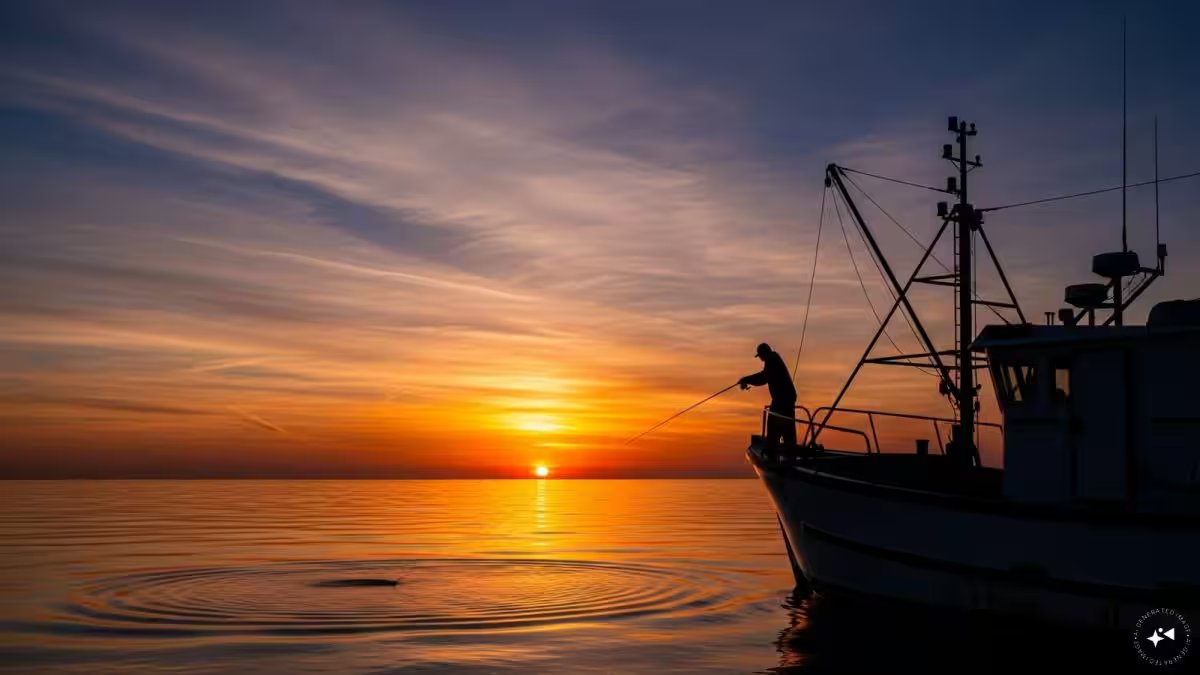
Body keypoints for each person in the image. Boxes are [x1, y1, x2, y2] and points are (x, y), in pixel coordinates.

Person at [739, 343, 798, 451]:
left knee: (773, 426)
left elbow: (763, 377)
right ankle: (789, 451)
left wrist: (745, 379)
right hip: (787, 399)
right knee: (787, 428)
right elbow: (764, 376)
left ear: (763, 354)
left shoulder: (771, 360)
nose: (760, 359)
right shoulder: (774, 359)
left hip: (782, 400)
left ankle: (772, 453)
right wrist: (747, 380)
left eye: (760, 356)